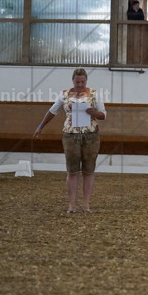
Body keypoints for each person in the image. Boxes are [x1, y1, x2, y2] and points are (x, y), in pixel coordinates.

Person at [33, 68, 107, 213]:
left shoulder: (95, 94)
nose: (80, 84)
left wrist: (95, 113)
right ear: (72, 80)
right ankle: (72, 205)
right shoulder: (64, 95)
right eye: (77, 81)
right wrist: (41, 126)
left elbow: (103, 114)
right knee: (72, 171)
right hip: (70, 135)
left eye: (83, 81)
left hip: (91, 135)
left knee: (88, 171)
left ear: (86, 81)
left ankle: (86, 204)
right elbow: (52, 111)